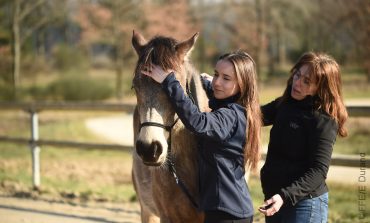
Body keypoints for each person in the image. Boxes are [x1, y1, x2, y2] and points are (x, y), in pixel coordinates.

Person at [142, 50, 262, 223]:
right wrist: (204, 83)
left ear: (243, 84)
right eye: (216, 74)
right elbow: (216, 97)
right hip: (222, 210)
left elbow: (197, 122)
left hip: (229, 216)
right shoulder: (232, 107)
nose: (217, 82)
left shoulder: (232, 116)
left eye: (226, 78)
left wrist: (169, 81)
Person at [258, 52, 348, 223]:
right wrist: (218, 89)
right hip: (274, 200)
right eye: (297, 75)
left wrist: (285, 196)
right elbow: (251, 117)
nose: (296, 83)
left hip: (304, 205)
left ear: (320, 88)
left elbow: (319, 171)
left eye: (307, 81)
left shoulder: (323, 120)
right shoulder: (285, 104)